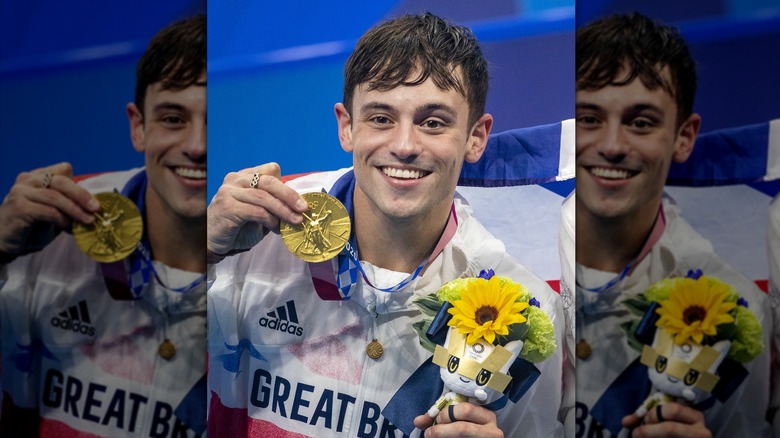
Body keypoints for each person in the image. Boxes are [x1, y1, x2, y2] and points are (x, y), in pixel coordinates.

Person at [207, 12, 567, 438]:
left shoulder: (522, 309)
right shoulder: (255, 237)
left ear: (476, 137)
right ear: (346, 127)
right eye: (381, 118)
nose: (404, 146)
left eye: (433, 122)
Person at [0, 15, 207, 437]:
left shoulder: (277, 251)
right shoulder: (50, 228)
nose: (197, 146)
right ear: (138, 126)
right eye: (173, 118)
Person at [572, 13, 773, 437]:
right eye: (588, 118)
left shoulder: (734, 311)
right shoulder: (520, 275)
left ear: (684, 136)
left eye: (640, 122)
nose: (611, 146)